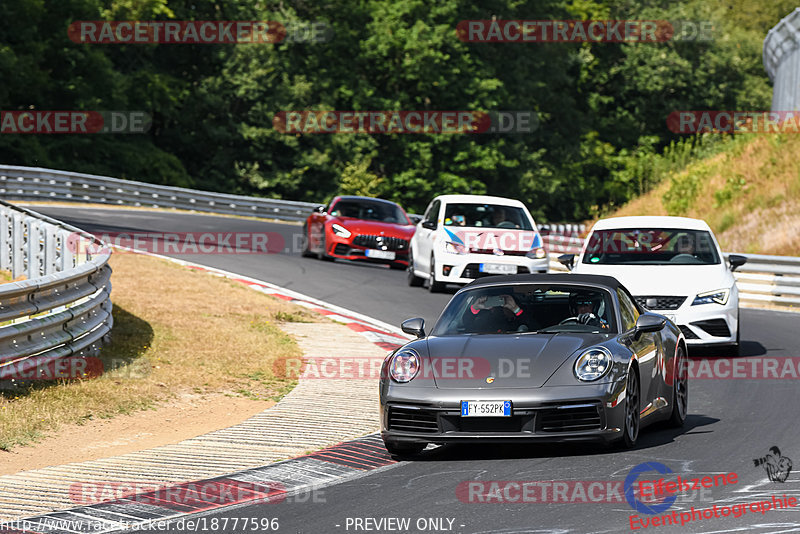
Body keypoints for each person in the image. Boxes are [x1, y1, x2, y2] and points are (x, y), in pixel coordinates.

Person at [462, 294, 532, 333]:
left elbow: (533, 328)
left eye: (503, 302)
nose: (500, 307)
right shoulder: (486, 322)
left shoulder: (519, 321)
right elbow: (468, 326)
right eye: (495, 303)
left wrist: (515, 309)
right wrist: (474, 308)